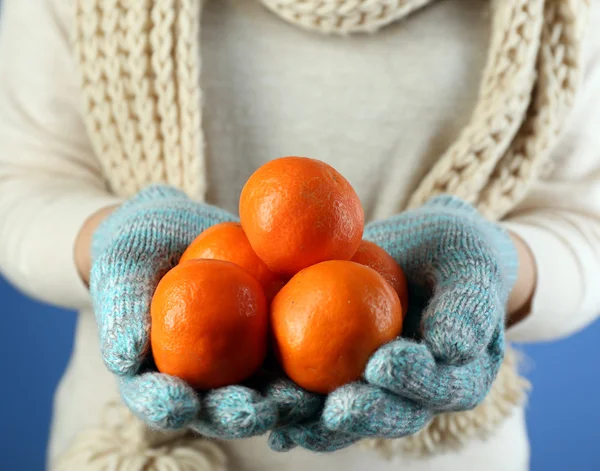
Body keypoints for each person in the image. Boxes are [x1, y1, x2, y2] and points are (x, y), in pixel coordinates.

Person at [0, 0, 598, 470]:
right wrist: (112, 239)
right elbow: (20, 181)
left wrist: (496, 267)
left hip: (443, 458)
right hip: (136, 446)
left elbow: (587, 223)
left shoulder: (564, 11)